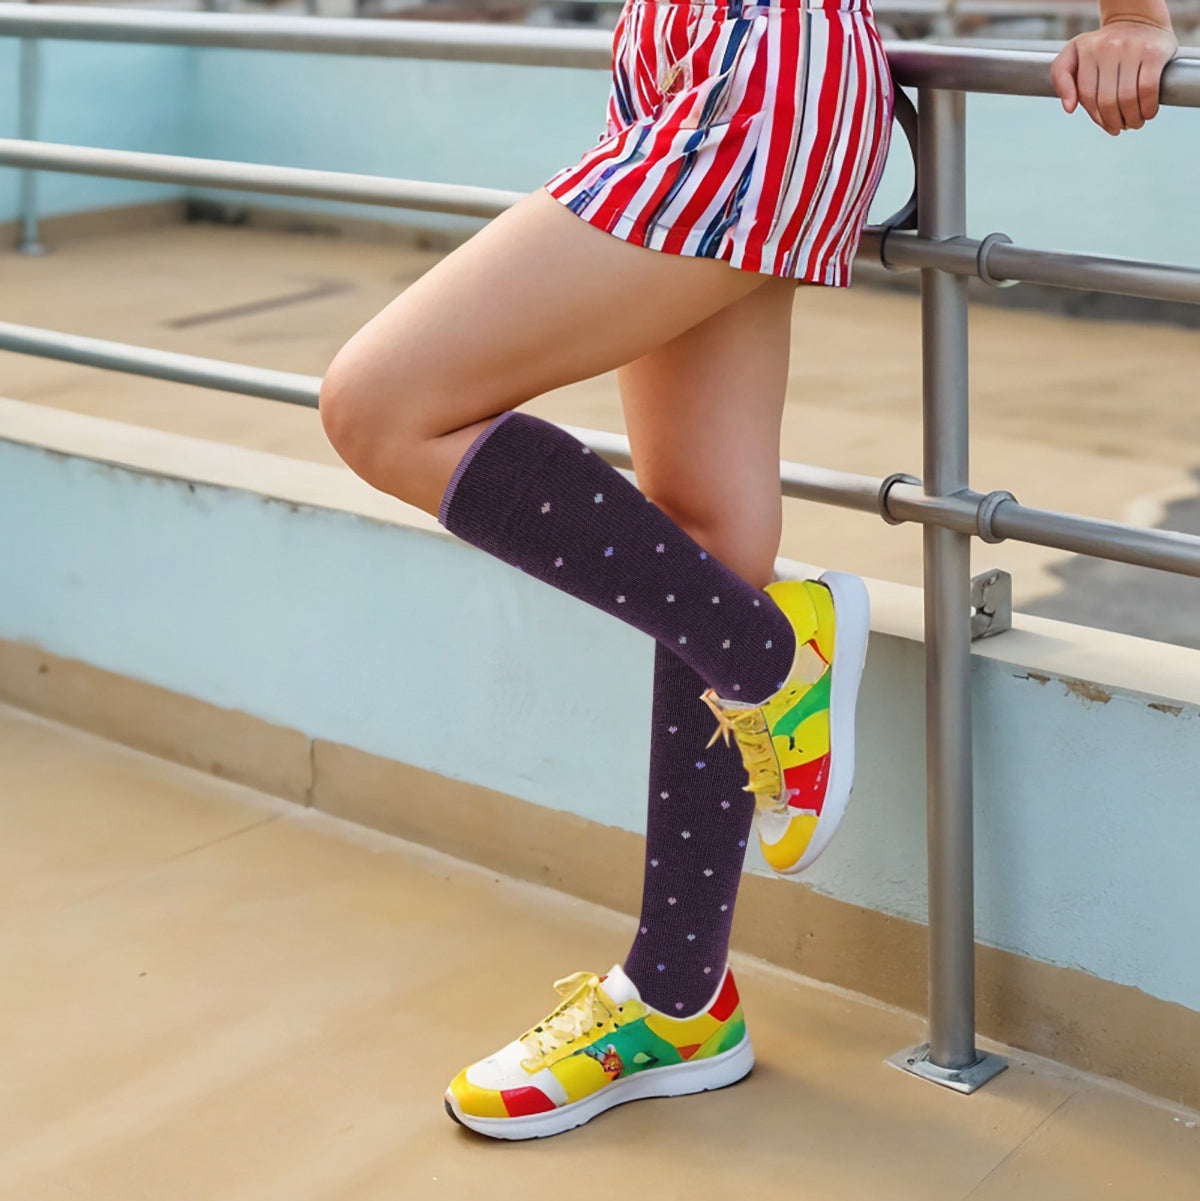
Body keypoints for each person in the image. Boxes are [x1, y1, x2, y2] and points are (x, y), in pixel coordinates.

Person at [318, 0, 1177, 1141]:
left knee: (379, 405)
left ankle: (772, 653)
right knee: (708, 531)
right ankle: (678, 1000)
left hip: (761, 66)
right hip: (679, 61)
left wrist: (1132, 18)